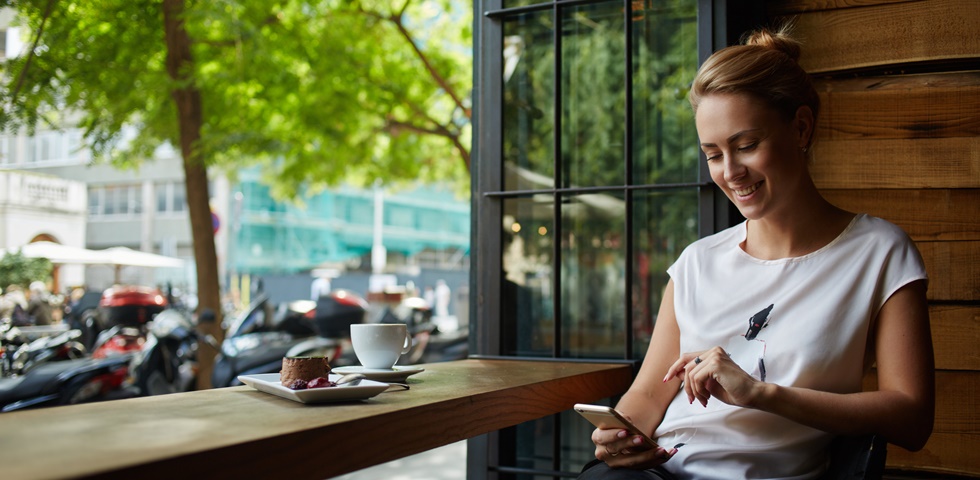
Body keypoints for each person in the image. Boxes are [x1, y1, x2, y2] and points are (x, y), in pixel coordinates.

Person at [579, 24, 934, 480]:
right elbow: (649, 395)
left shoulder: (879, 253)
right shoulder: (696, 263)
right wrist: (619, 436)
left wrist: (761, 393)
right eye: (712, 154)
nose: (731, 172)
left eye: (746, 145)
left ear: (801, 127)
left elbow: (912, 417)